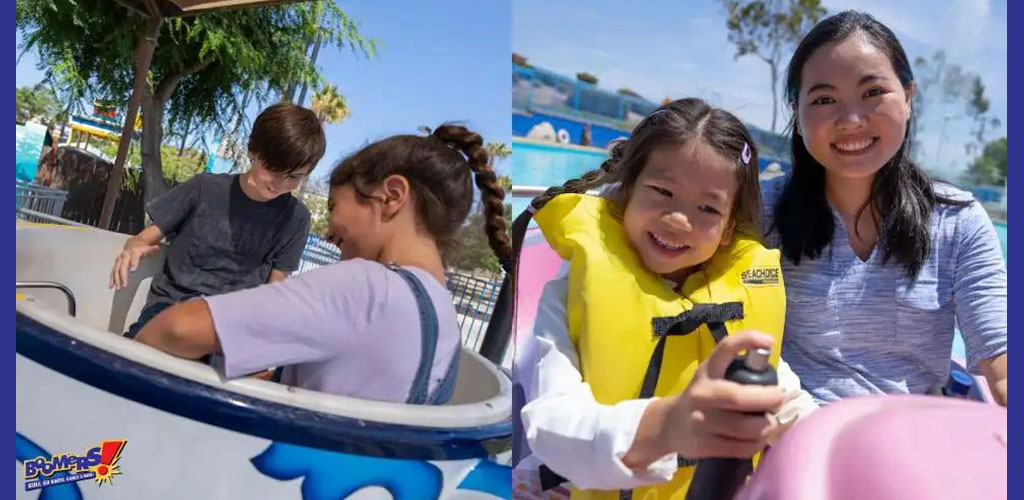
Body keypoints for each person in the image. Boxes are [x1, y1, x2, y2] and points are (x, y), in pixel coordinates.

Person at [515, 99, 817, 499]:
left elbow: (788, 401)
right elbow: (551, 423)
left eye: (708, 208)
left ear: (728, 229)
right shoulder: (570, 294)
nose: (678, 220)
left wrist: (836, 446)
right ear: (627, 190)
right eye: (662, 191)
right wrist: (668, 426)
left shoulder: (739, 300)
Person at [135, 125, 512, 403]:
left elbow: (177, 328)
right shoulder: (441, 311)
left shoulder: (364, 287)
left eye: (334, 208)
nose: (329, 231)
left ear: (391, 195)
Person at [765, 11, 1007, 406]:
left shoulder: (958, 223)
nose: (851, 120)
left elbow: (1003, 363)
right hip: (789, 441)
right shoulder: (759, 211)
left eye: (873, 92)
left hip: (905, 447)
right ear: (797, 115)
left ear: (909, 98)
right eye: (824, 99)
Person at [109, 103, 324, 339]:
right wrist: (133, 248)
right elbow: (142, 239)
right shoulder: (202, 189)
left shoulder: (297, 219)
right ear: (253, 150)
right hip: (171, 311)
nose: (279, 184)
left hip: (232, 327)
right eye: (273, 169)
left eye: (293, 177)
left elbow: (275, 291)